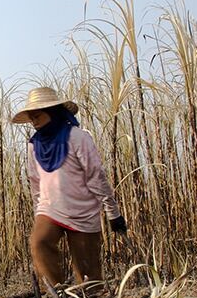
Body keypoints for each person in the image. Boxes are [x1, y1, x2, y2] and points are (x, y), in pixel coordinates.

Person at [11, 87, 127, 286]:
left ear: (53, 112)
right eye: (32, 118)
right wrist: (37, 210)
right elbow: (35, 180)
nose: (34, 122)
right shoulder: (34, 144)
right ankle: (57, 296)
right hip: (49, 209)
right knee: (39, 242)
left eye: (37, 116)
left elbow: (96, 176)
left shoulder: (78, 137)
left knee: (88, 273)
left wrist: (113, 213)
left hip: (82, 211)